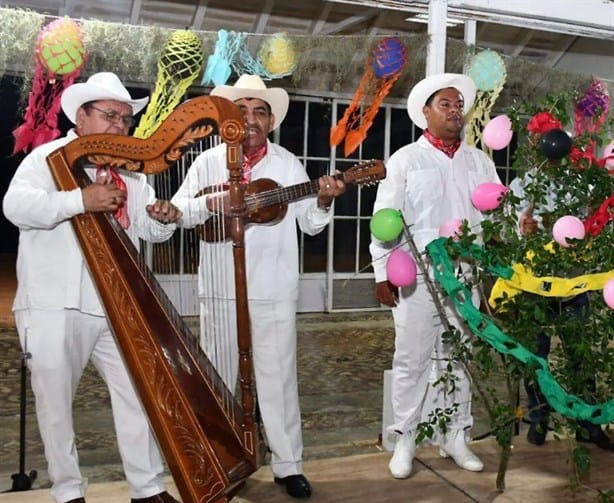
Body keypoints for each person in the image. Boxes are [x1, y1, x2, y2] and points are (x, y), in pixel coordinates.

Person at [2, 72, 182, 503]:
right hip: (53, 305)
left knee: (138, 394)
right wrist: (79, 201)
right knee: (55, 405)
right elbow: (15, 207)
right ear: (81, 117)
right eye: (110, 116)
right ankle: (67, 492)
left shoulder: (132, 177)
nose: (120, 126)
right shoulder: (47, 158)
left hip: (116, 305)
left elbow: (143, 231)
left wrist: (161, 219)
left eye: (124, 119)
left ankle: (147, 488)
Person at [171, 74, 345, 499]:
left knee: (278, 377)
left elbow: (310, 223)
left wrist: (323, 199)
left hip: (272, 287)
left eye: (259, 112)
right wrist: (210, 203)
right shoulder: (207, 162)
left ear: (270, 122)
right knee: (218, 375)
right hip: (220, 287)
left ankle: (288, 465)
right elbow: (178, 211)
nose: (249, 119)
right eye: (241, 110)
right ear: (226, 118)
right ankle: (223, 461)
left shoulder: (287, 164)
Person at [370, 73, 502, 479]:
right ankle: (405, 437)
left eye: (458, 105)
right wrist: (381, 272)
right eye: (445, 104)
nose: (454, 111)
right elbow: (385, 218)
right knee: (411, 358)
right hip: (417, 276)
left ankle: (454, 435)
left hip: (466, 274)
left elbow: (496, 212)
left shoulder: (479, 160)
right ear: (425, 112)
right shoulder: (406, 159)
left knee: (459, 356)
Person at [511, 175, 614, 450]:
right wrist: (522, 229)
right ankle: (538, 418)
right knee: (536, 357)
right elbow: (508, 232)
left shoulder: (584, 184)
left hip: (573, 286)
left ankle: (588, 424)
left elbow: (594, 229)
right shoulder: (521, 186)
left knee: (581, 358)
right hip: (537, 289)